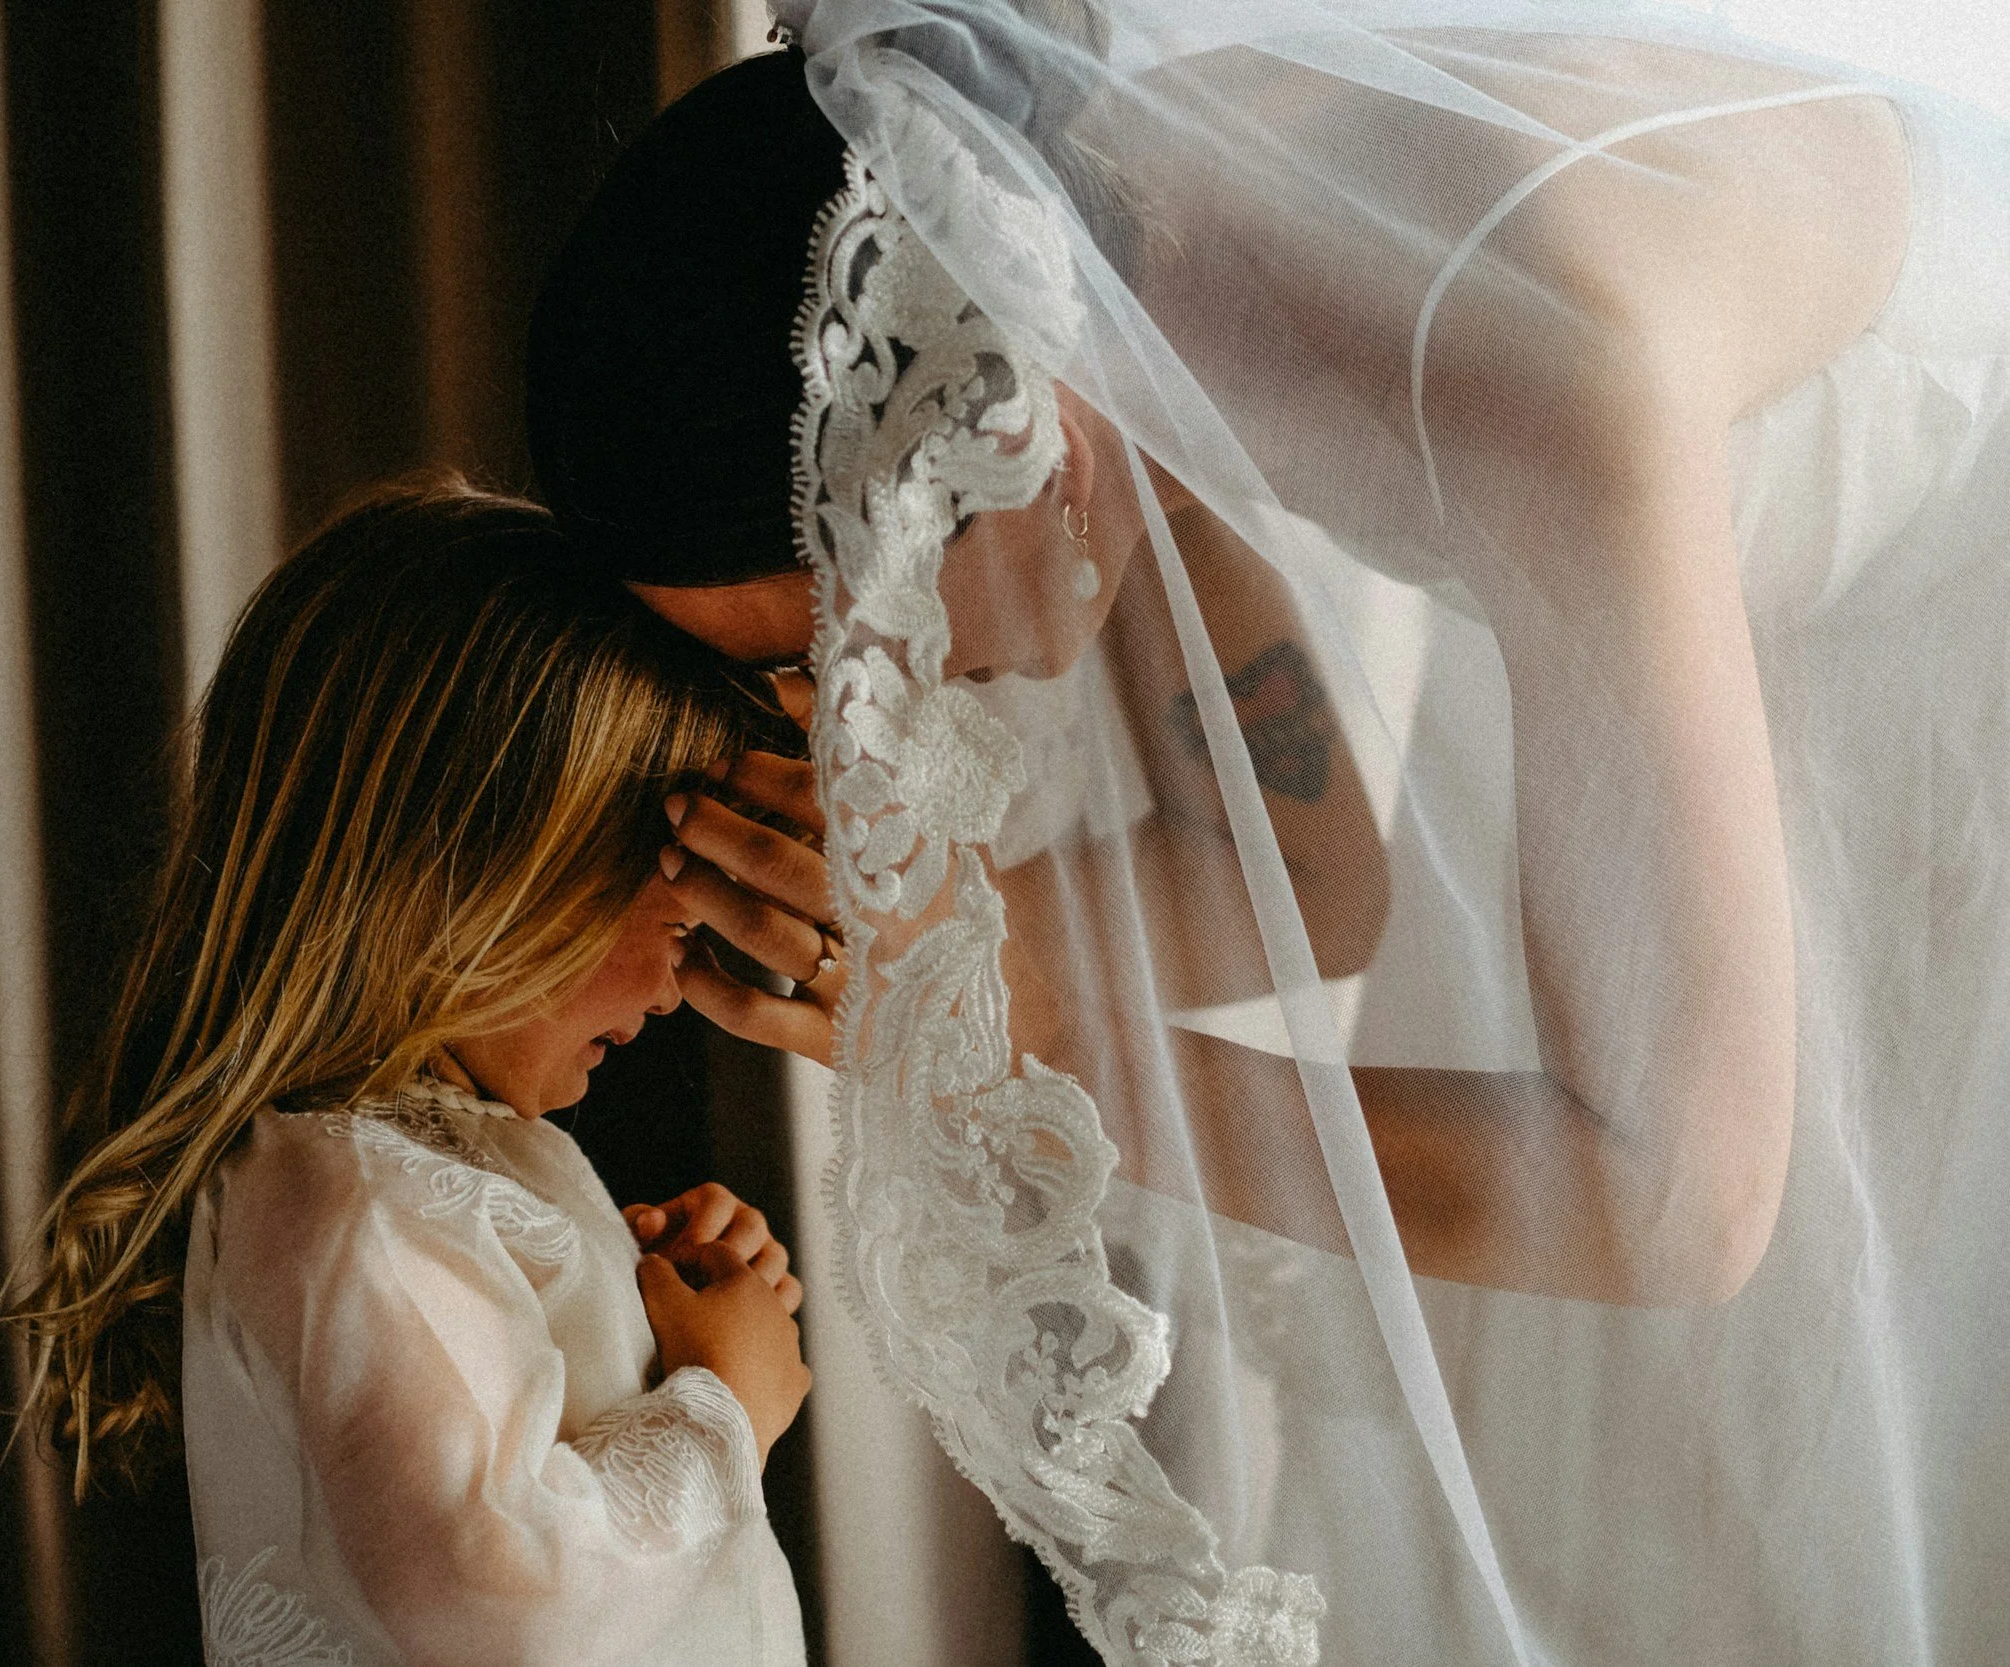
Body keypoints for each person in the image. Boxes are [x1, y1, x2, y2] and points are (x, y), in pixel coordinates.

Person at [526, 13, 2010, 1665]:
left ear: (990, 437)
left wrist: (1037, 1043)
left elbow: (1681, 1205)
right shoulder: (1101, 271)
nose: (878, 694)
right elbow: (1310, 870)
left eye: (849, 616)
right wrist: (960, 938)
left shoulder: (1522, 340)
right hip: (1685, 618)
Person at [0, 479, 810, 1666]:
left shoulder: (414, 1175)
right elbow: (496, 1596)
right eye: (672, 908)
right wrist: (720, 1403)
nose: (679, 975)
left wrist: (650, 1321)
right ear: (487, 872)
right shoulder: (348, 1197)